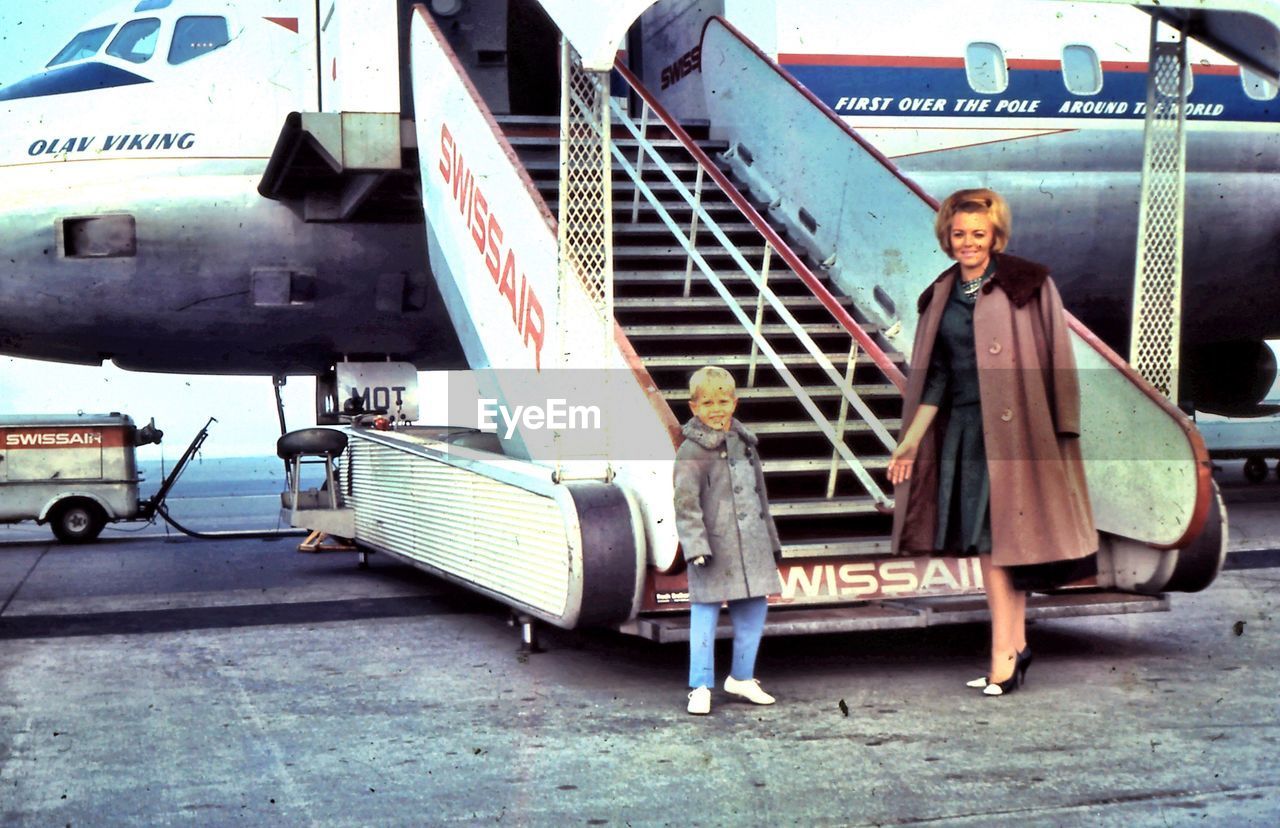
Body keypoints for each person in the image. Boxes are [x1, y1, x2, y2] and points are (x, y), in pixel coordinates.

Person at [886, 188, 1097, 696]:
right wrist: (910, 443)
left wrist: (1060, 427)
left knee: (1004, 546)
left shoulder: (1029, 283)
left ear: (995, 235)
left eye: (978, 234)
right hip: (965, 433)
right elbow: (934, 380)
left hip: (1022, 433)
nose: (968, 243)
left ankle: (1005, 653)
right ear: (946, 237)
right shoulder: (939, 294)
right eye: (959, 234)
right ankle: (1014, 646)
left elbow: (1057, 357)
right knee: (995, 545)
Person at [673, 366, 783, 715]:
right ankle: (700, 685)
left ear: (734, 403)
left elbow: (760, 496)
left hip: (751, 543)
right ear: (694, 407)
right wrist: (696, 547)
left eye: (723, 401)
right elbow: (685, 505)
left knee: (754, 610)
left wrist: (771, 540)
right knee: (704, 613)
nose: (716, 408)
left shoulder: (746, 445)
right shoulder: (691, 452)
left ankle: (742, 677)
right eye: (707, 402)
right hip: (713, 547)